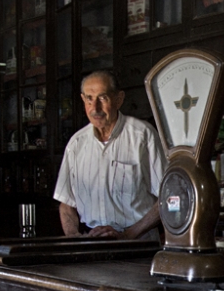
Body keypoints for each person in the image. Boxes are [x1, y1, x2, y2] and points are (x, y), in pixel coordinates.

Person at [55, 70, 167, 240]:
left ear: (119, 99)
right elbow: (66, 204)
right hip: (90, 243)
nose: (95, 108)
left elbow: (167, 196)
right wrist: (75, 238)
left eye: (103, 98)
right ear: (83, 99)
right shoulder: (76, 144)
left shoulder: (142, 136)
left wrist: (129, 234)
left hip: (137, 243)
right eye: (89, 99)